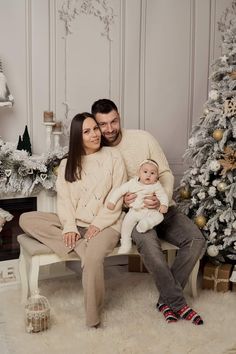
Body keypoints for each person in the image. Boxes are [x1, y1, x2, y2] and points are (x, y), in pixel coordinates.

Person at [91, 99, 206, 325]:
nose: (109, 128)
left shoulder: (143, 138)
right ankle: (178, 303)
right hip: (134, 215)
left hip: (162, 208)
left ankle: (166, 300)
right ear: (96, 125)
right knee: (152, 250)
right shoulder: (98, 151)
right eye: (102, 124)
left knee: (195, 240)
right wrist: (124, 200)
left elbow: (165, 172)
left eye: (113, 121)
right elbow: (103, 195)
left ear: (119, 117)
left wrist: (159, 197)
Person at [19, 112, 127, 328]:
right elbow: (65, 202)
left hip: (107, 224)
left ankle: (93, 320)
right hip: (77, 224)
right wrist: (69, 227)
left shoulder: (114, 157)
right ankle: (79, 245)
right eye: (87, 131)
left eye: (95, 129)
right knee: (26, 218)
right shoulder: (68, 164)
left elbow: (118, 197)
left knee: (93, 259)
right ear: (78, 136)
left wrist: (97, 225)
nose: (95, 134)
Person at [107, 159, 168, 254]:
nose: (148, 175)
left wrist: (164, 204)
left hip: (149, 211)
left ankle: (146, 224)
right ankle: (126, 243)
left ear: (157, 177)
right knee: (126, 224)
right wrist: (112, 201)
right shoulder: (132, 183)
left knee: (160, 216)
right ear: (139, 173)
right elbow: (120, 191)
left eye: (152, 173)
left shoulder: (156, 185)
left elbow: (162, 195)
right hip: (134, 211)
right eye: (145, 172)